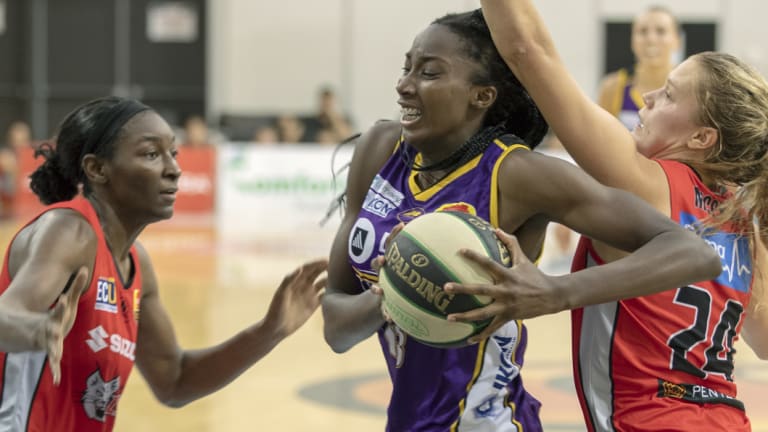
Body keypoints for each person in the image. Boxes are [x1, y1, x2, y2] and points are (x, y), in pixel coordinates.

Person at [321, 10, 720, 432]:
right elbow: (336, 329)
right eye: (407, 68)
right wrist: (394, 292)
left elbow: (694, 252)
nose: (404, 85)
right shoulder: (379, 148)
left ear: (482, 95)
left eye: (429, 72)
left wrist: (557, 292)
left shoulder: (517, 174)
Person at [447, 1, 768, 430]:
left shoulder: (646, 184)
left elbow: (529, 51)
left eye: (669, 94)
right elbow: (763, 340)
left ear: (701, 137)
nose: (649, 98)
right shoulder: (743, 218)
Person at [0, 96, 328, 431]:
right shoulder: (69, 232)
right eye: (151, 154)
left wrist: (268, 332)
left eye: (174, 153)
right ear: (98, 169)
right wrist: (39, 331)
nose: (174, 169)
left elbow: (175, 380)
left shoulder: (136, 263)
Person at [597, 6, 681, 130]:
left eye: (661, 31)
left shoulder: (690, 88)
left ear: (676, 41)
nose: (651, 39)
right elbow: (597, 136)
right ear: (632, 40)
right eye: (642, 31)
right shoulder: (613, 86)